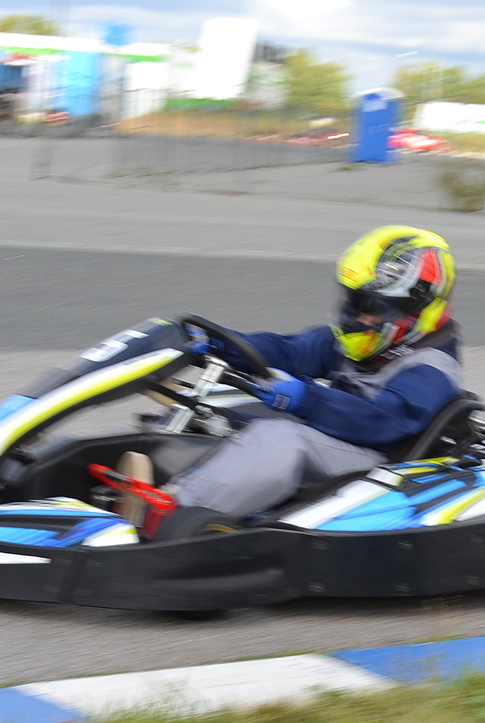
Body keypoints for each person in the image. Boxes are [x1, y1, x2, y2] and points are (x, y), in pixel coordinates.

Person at [140, 225, 462, 541]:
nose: (359, 317)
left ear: (413, 310)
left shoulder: (433, 367)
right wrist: (218, 343)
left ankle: (168, 513)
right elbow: (290, 351)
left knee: (282, 439)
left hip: (380, 460)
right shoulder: (367, 344)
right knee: (211, 407)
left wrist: (307, 399)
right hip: (339, 436)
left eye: (372, 307)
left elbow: (383, 421)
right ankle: (149, 480)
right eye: (355, 302)